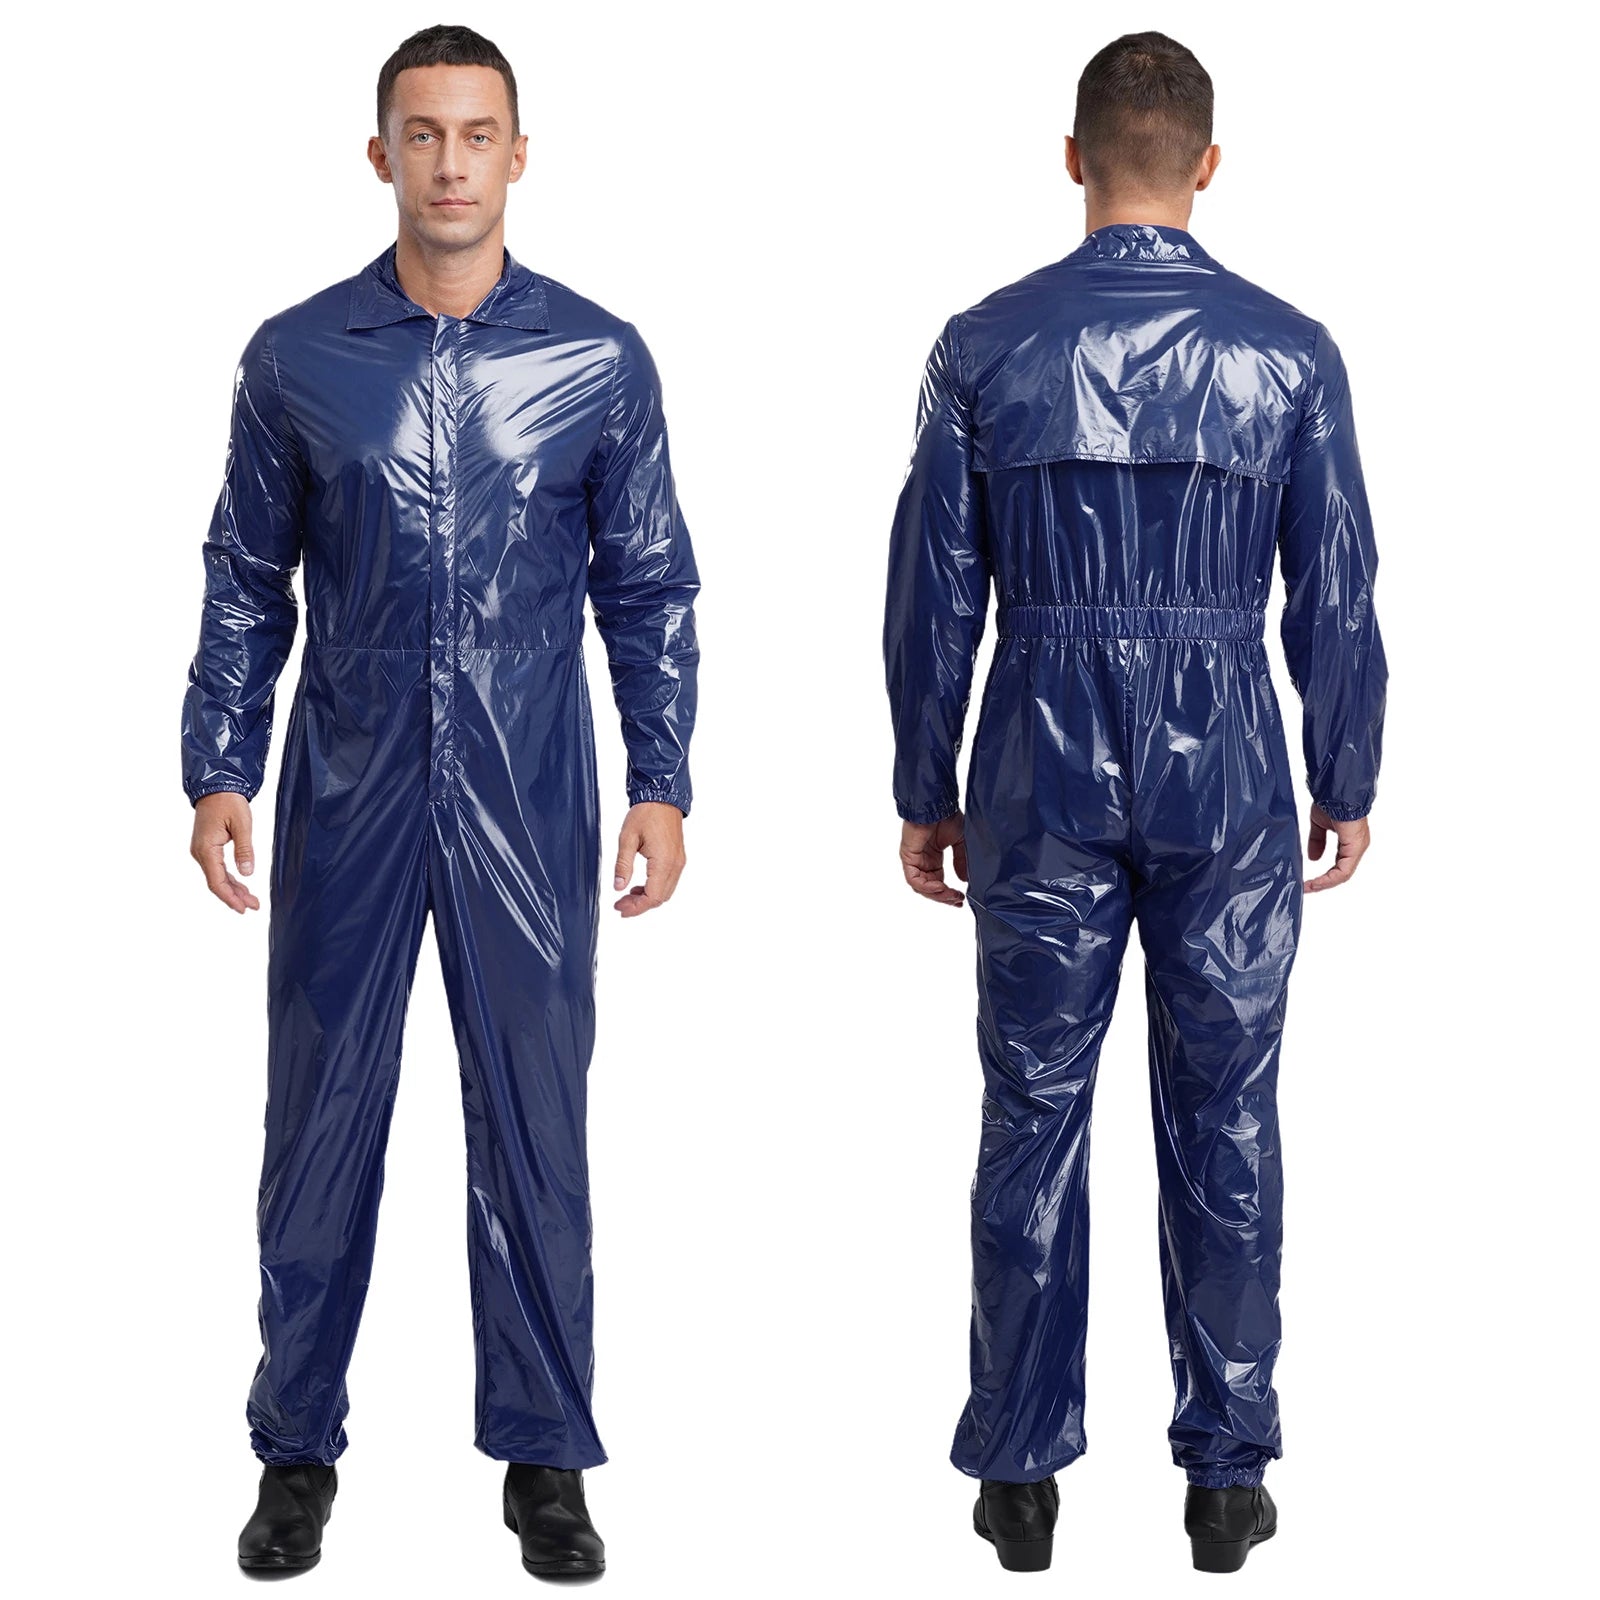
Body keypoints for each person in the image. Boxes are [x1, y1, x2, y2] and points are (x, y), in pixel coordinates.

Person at [181, 24, 700, 1579]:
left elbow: (649, 585)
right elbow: (244, 575)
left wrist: (662, 779)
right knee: (317, 1120)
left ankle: (547, 1461)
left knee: (536, 1124)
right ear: (381, 155)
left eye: (478, 135)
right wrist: (219, 759)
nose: (451, 163)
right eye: (424, 135)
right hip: (346, 781)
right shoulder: (298, 358)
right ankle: (295, 1452)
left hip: (529, 789)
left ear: (519, 156)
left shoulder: (596, 359)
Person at [882, 30, 1386, 1575]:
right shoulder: (1287, 352)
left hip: (1037, 749)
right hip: (1225, 752)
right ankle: (1226, 1480)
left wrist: (925, 779)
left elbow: (932, 590)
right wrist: (1347, 769)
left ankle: (1018, 1478)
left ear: (1073, 158)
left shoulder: (985, 346)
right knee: (1226, 1112)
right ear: (1208, 165)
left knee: (1032, 1108)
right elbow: (1336, 588)